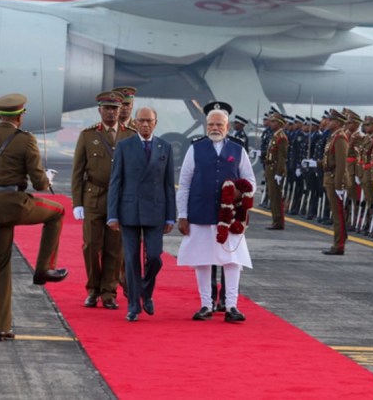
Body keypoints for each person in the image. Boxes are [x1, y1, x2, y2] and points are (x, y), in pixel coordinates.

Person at [0, 93, 68, 341]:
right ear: (20, 116)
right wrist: (47, 178)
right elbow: (39, 183)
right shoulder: (25, 140)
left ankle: (1, 329)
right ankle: (44, 269)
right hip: (16, 205)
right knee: (57, 212)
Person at [176, 102, 256, 323]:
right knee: (202, 260)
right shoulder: (195, 148)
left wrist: (239, 193)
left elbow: (250, 181)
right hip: (200, 212)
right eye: (211, 124)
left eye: (219, 124)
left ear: (227, 127)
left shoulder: (238, 150)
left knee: (232, 261)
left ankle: (231, 306)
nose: (215, 128)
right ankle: (206, 304)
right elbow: (184, 184)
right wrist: (182, 215)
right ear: (206, 125)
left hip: (229, 216)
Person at [107, 106, 176, 322]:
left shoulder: (165, 147)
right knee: (131, 259)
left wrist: (170, 216)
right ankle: (133, 305)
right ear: (135, 123)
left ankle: (146, 291)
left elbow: (168, 185)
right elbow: (116, 182)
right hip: (130, 210)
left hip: (156, 210)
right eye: (141, 121)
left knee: (154, 257)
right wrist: (112, 214)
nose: (145, 124)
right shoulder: (124, 146)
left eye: (149, 121)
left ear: (156, 123)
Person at [71, 91, 135, 310]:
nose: (111, 112)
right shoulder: (88, 135)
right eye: (107, 108)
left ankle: (109, 292)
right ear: (99, 110)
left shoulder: (130, 135)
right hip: (94, 197)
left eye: (115, 109)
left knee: (114, 249)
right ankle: (93, 289)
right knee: (91, 246)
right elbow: (77, 172)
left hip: (120, 200)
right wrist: (77, 203)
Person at [321, 110, 349, 255]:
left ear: (338, 123)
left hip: (334, 180)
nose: (328, 122)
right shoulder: (333, 137)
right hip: (330, 178)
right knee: (336, 213)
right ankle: (339, 241)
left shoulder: (340, 138)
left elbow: (341, 164)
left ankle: (339, 245)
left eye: (331, 120)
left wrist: (339, 185)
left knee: (338, 214)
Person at [264, 113, 288, 230]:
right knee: (272, 196)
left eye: (273, 122)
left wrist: (279, 173)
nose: (271, 123)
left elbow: (282, 157)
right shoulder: (275, 136)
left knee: (276, 197)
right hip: (270, 169)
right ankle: (275, 219)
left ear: (279, 123)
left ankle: (278, 221)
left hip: (275, 170)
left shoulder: (281, 137)